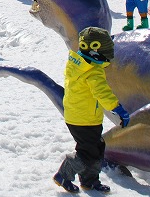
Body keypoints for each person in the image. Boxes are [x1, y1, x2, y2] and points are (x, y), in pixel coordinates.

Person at [53, 27, 130, 194]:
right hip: (84, 120)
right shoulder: (93, 72)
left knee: (97, 148)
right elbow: (102, 93)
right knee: (88, 153)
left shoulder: (79, 65)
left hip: (81, 117)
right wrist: (118, 108)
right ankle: (63, 175)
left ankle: (89, 181)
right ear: (95, 51)